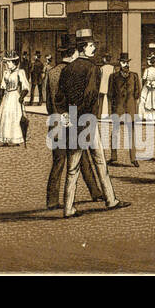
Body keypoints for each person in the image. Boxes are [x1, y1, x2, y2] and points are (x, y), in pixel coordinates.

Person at [55, 29, 127, 217]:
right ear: (83, 48)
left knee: (72, 167)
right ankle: (110, 200)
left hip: (72, 120)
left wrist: (67, 115)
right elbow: (90, 96)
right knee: (100, 161)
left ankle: (68, 207)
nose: (94, 48)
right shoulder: (93, 69)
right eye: (91, 45)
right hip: (87, 120)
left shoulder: (67, 68)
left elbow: (59, 97)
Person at [44, 36, 105, 210]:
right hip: (74, 118)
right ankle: (96, 192)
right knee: (82, 156)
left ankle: (52, 200)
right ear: (75, 52)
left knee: (59, 161)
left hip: (56, 121)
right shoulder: (73, 71)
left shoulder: (51, 72)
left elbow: (48, 100)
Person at [107, 52, 142, 167]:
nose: (125, 64)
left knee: (131, 134)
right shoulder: (113, 77)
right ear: (120, 63)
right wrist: (111, 111)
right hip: (118, 108)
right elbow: (110, 95)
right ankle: (113, 156)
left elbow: (138, 93)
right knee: (115, 133)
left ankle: (133, 158)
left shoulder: (135, 76)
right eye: (123, 62)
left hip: (130, 109)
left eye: (127, 62)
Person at [0, 51, 28, 145]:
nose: (7, 64)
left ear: (14, 62)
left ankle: (15, 139)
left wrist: (21, 97)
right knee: (6, 116)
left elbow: (25, 87)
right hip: (7, 96)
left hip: (15, 96)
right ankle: (6, 138)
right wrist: (1, 99)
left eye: (9, 62)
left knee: (15, 117)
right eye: (6, 62)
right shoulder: (6, 73)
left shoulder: (20, 72)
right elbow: (2, 86)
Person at [139, 43, 155, 122]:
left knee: (144, 99)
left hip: (147, 86)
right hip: (153, 86)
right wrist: (153, 82)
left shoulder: (146, 70)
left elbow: (144, 78)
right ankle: (154, 116)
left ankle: (146, 116)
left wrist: (147, 82)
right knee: (154, 101)